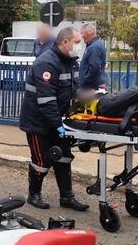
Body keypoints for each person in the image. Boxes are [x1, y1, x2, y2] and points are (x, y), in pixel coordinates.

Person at [19, 27, 89, 211]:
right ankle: (34, 195)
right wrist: (58, 125)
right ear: (65, 42)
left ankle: (67, 197)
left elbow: (74, 92)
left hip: (60, 121)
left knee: (63, 158)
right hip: (38, 122)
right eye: (77, 42)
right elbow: (46, 100)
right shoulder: (46, 63)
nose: (80, 46)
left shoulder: (71, 62)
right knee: (41, 161)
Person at [79, 23, 107, 90]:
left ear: (87, 34)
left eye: (82, 35)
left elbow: (94, 68)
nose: (82, 37)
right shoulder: (96, 44)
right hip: (93, 85)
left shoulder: (94, 47)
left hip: (92, 87)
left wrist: (85, 81)